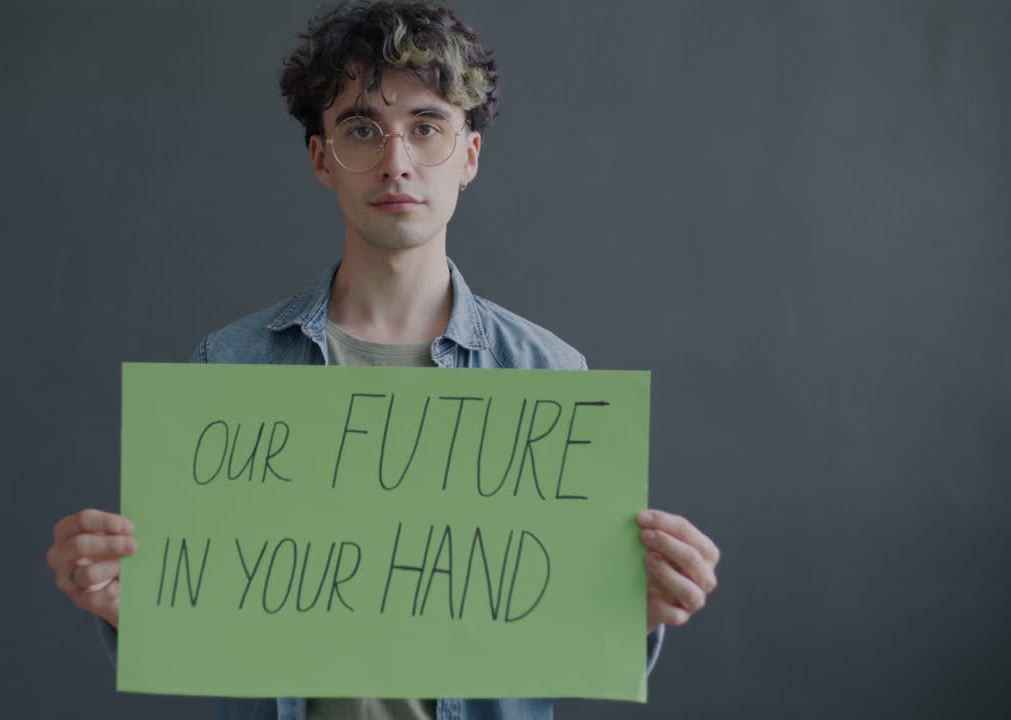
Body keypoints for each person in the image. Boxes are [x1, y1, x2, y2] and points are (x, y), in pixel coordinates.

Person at [44, 1, 721, 718]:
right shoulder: (231, 366)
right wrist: (123, 603)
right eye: (362, 129)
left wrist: (636, 608)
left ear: (469, 156)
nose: (396, 162)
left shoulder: (549, 378)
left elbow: (554, 635)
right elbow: (205, 618)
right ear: (321, 159)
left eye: (426, 127)